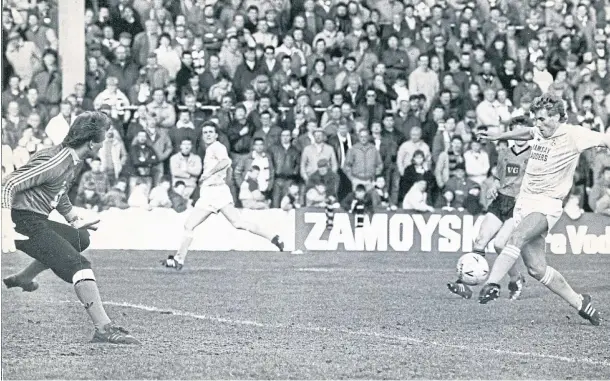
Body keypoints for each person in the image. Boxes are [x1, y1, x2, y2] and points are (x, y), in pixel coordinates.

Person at [1, 111, 139, 344]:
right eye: (104, 138)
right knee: (79, 265)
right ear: (92, 144)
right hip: (21, 220)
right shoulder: (57, 160)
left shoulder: (69, 159)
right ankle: (103, 328)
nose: (105, 142)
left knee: (80, 238)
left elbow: (58, 191)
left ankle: (25, 278)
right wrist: (5, 227)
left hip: (31, 218)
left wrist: (74, 219)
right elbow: (8, 184)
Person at [477, 94, 609, 326]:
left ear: (557, 117)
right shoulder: (539, 130)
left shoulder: (573, 134)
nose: (537, 124)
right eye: (535, 119)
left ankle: (492, 283)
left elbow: (604, 140)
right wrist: (500, 135)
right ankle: (581, 303)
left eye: (541, 119)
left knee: (515, 238)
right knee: (537, 269)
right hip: (524, 203)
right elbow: (527, 132)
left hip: (547, 203)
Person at [161, 122, 285, 270]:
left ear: (216, 135)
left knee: (192, 225)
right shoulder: (210, 149)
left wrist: (209, 173)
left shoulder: (217, 147)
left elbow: (226, 161)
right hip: (212, 192)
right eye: (205, 132)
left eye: (210, 132)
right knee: (235, 223)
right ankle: (273, 237)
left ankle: (179, 259)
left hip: (215, 192)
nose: (207, 134)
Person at [447, 117, 532, 300]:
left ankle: (516, 279)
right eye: (515, 131)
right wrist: (494, 185)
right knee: (480, 240)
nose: (520, 135)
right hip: (500, 201)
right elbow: (499, 177)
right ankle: (464, 285)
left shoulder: (533, 156)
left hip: (518, 205)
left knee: (500, 244)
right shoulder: (504, 153)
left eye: (523, 131)